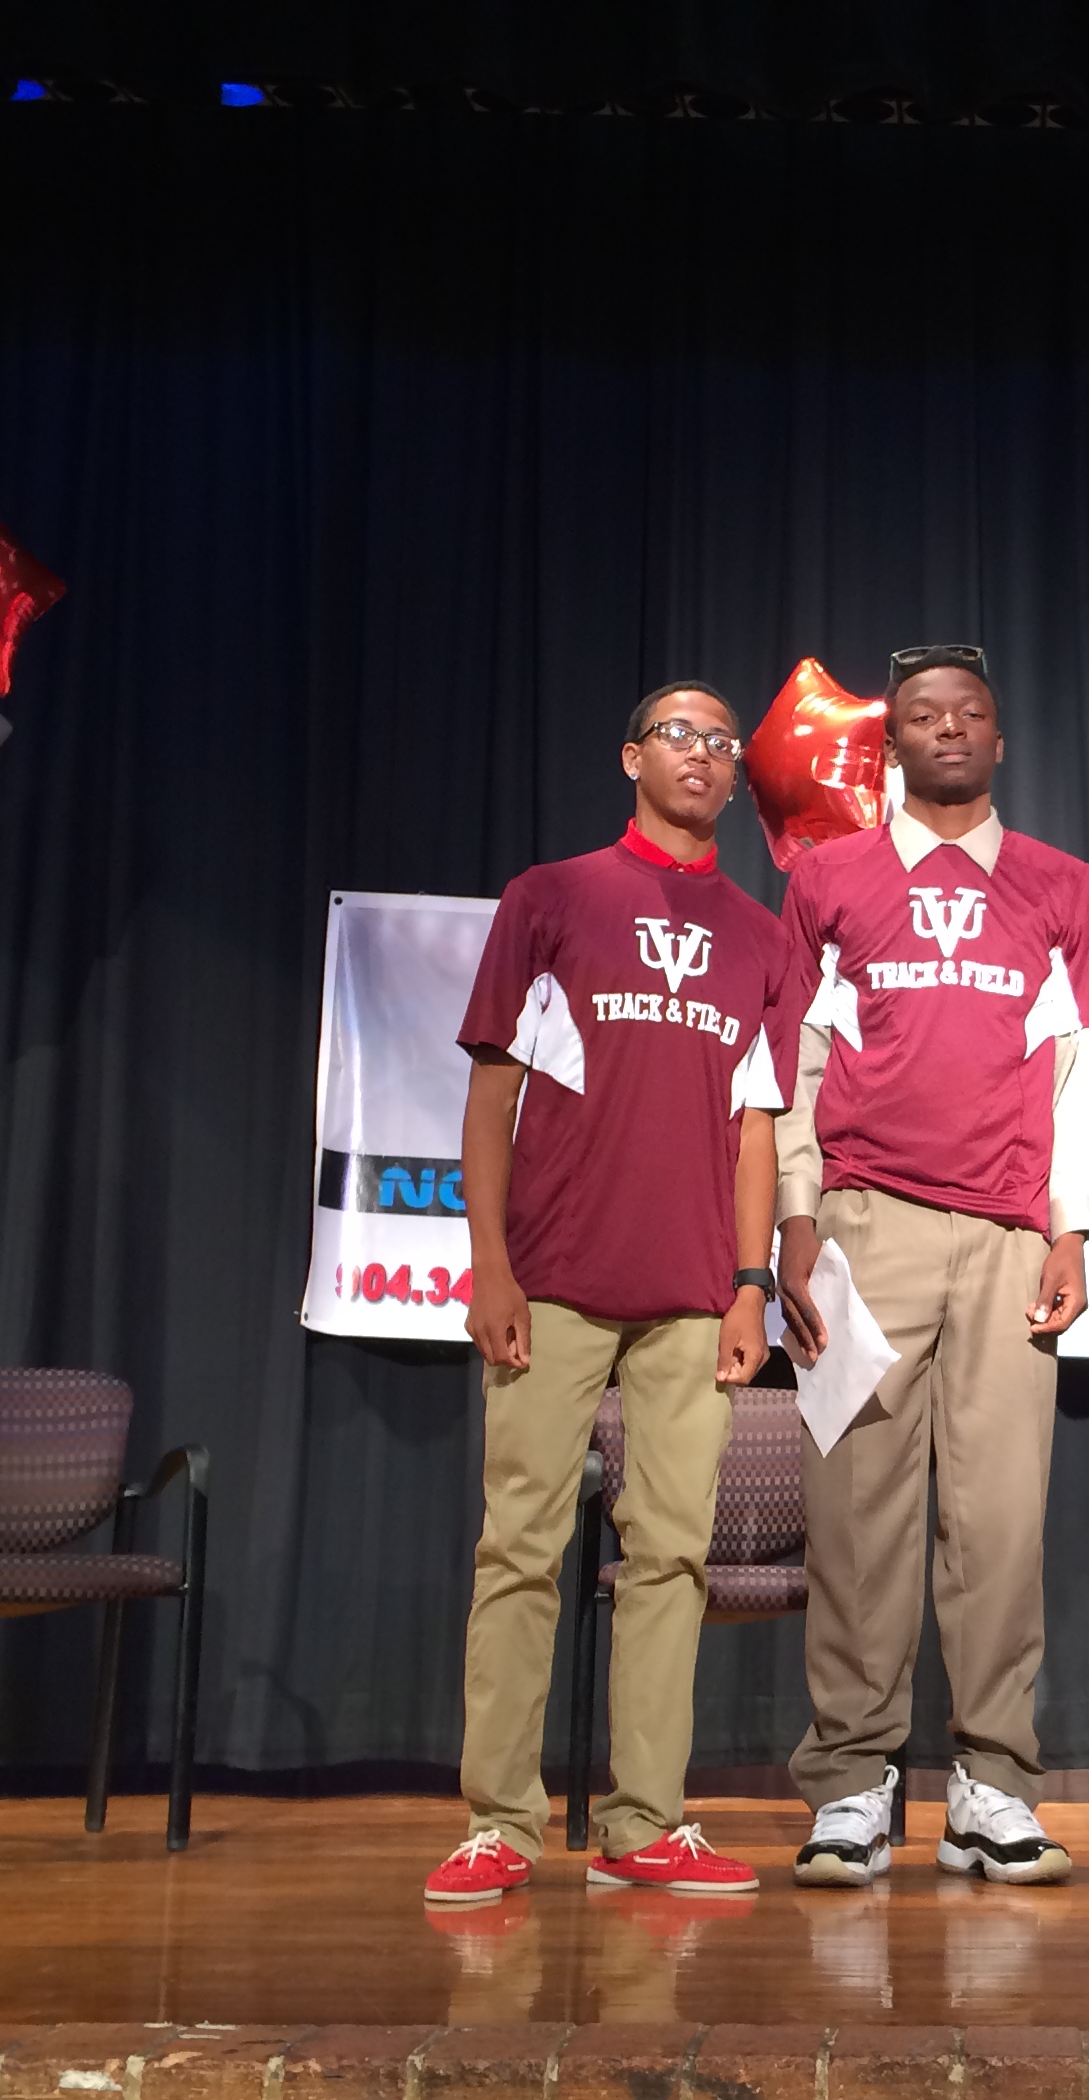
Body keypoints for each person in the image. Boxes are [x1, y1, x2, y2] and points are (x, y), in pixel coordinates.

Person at [424, 682, 805, 1905]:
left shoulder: (762, 934)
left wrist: (750, 1288)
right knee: (519, 1552)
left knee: (673, 1559)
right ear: (632, 755)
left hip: (693, 1295)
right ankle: (499, 1821)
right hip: (555, 1282)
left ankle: (646, 1822)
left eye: (722, 743)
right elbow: (491, 1100)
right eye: (679, 735)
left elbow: (757, 1127)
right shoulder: (553, 898)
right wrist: (492, 1265)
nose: (704, 755)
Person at [771, 643, 1089, 1887]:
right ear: (892, 742)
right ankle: (854, 1784)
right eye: (924, 714)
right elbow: (794, 1062)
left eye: (972, 710)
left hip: (1014, 1234)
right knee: (858, 1515)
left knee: (1002, 1520)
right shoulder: (832, 879)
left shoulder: (1060, 884)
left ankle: (993, 1786)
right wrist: (796, 1221)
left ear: (1000, 739)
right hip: (867, 1225)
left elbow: (1076, 1072)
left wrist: (1073, 1226)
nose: (949, 729)